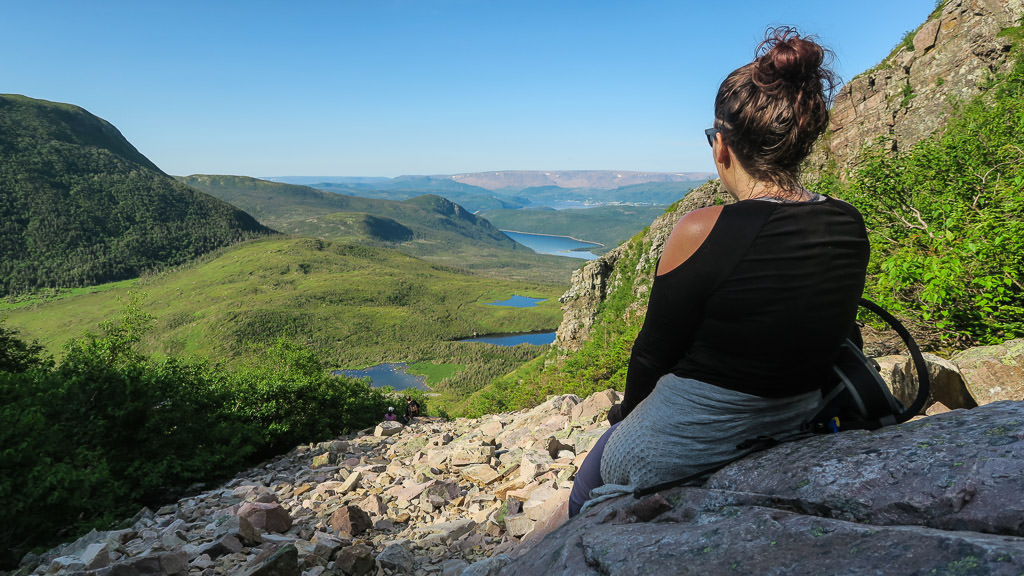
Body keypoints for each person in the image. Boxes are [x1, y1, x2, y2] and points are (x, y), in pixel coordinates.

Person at [568, 27, 870, 517]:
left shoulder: (702, 228)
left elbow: (653, 352)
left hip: (689, 438)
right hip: (798, 416)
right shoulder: (848, 222)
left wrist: (626, 416)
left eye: (714, 137)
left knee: (585, 491)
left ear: (722, 146)